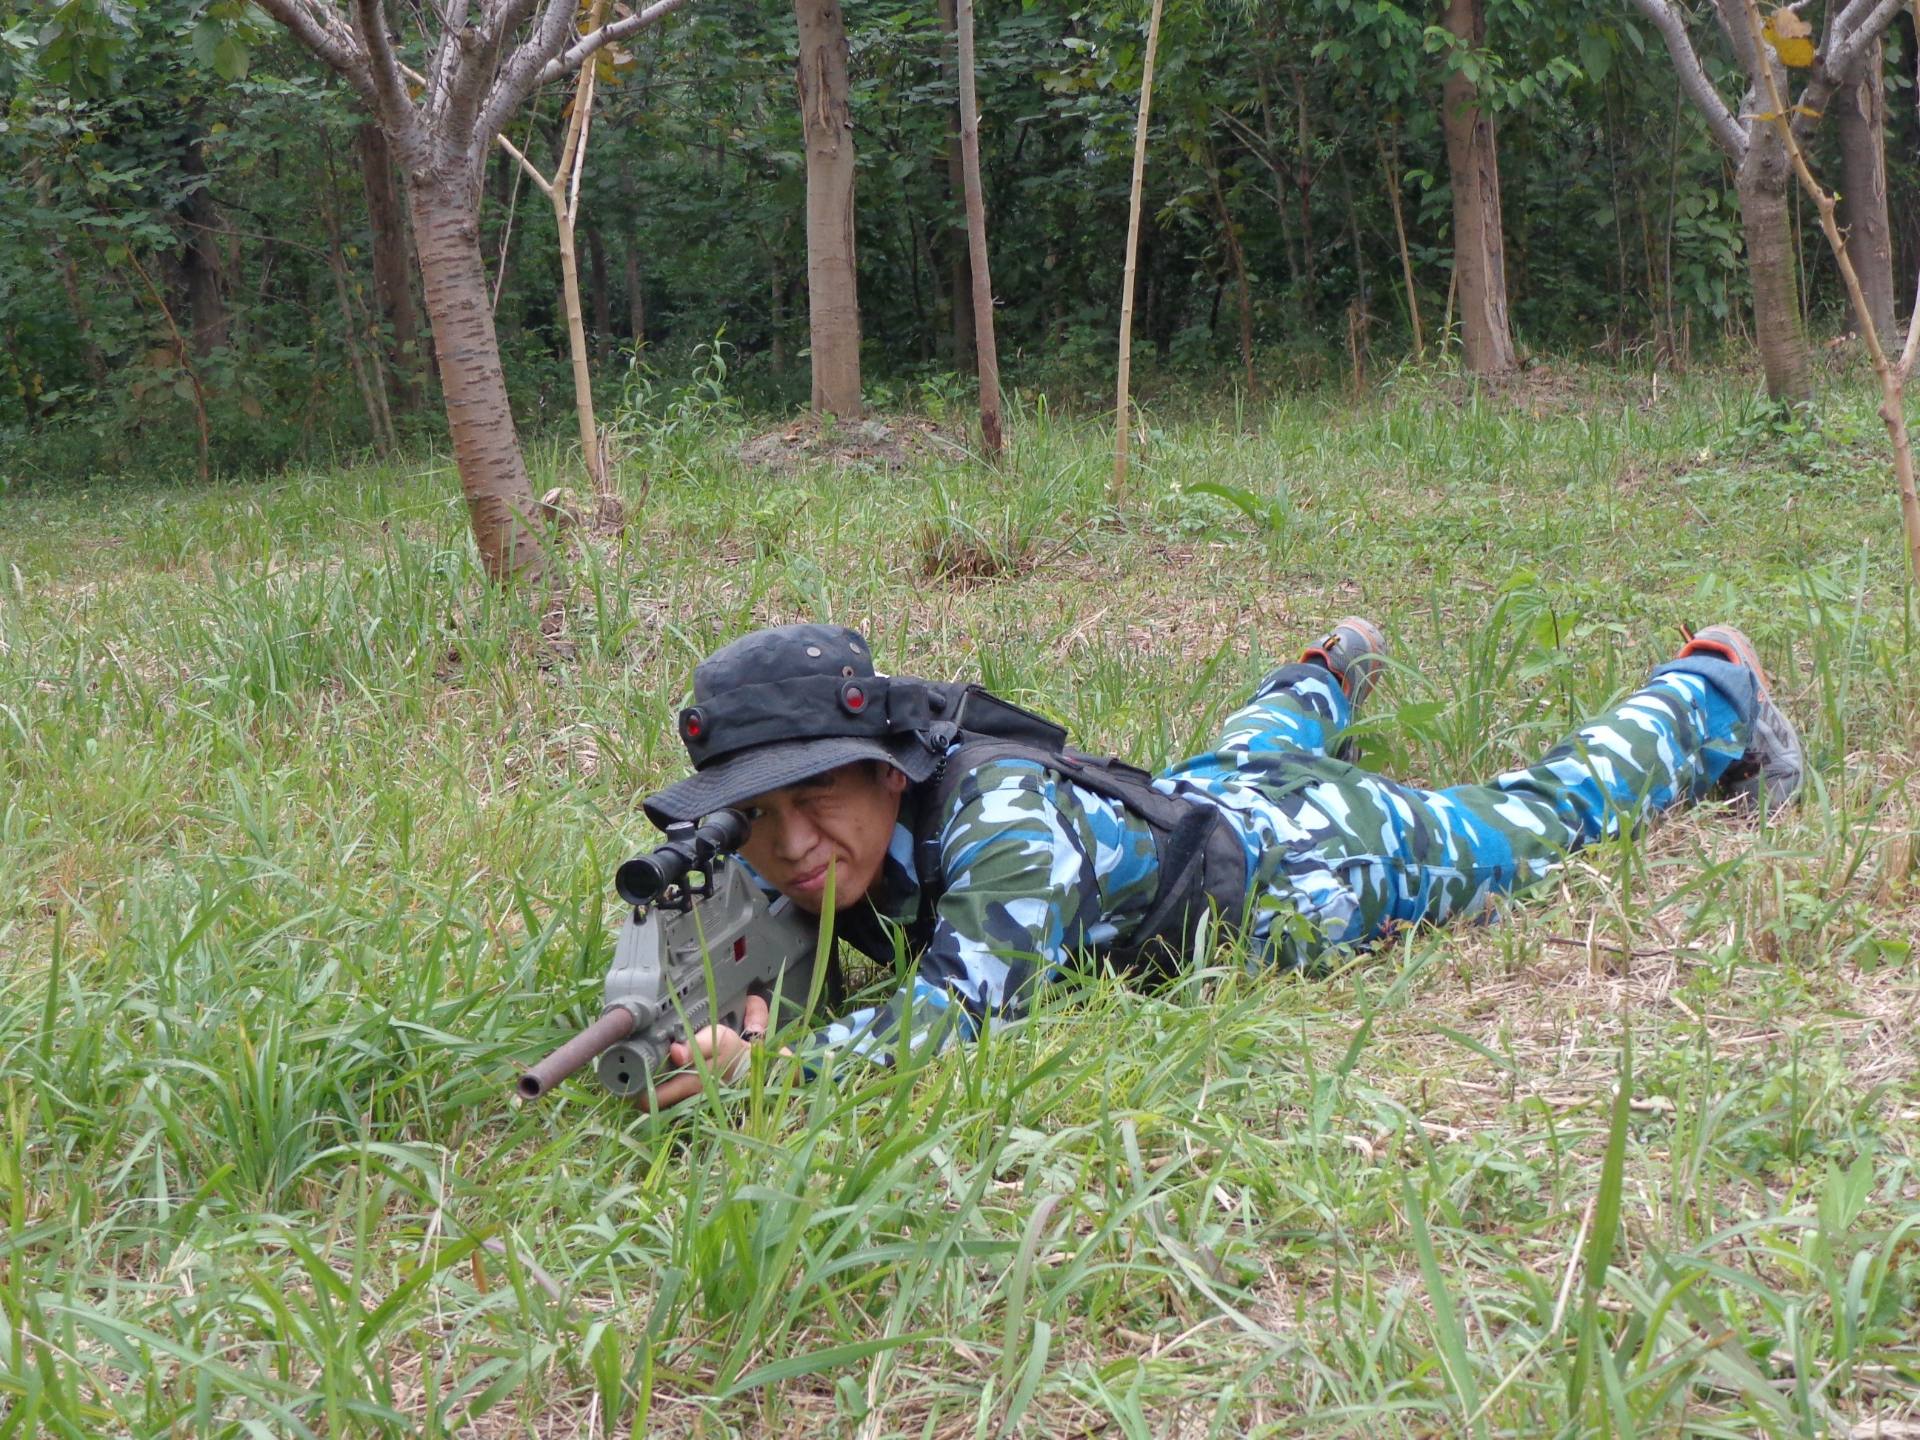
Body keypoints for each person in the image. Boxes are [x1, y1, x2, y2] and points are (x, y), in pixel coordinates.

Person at [635, 617, 1803, 1109]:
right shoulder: (836, 829)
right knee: (1239, 757)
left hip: (1307, 863)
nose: (789, 847)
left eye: (814, 799)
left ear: (891, 770)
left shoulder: (1003, 822)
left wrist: (778, 1074)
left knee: (1533, 822)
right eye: (753, 818)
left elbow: (965, 1004)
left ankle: (1709, 688)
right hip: (1186, 802)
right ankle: (1326, 675)